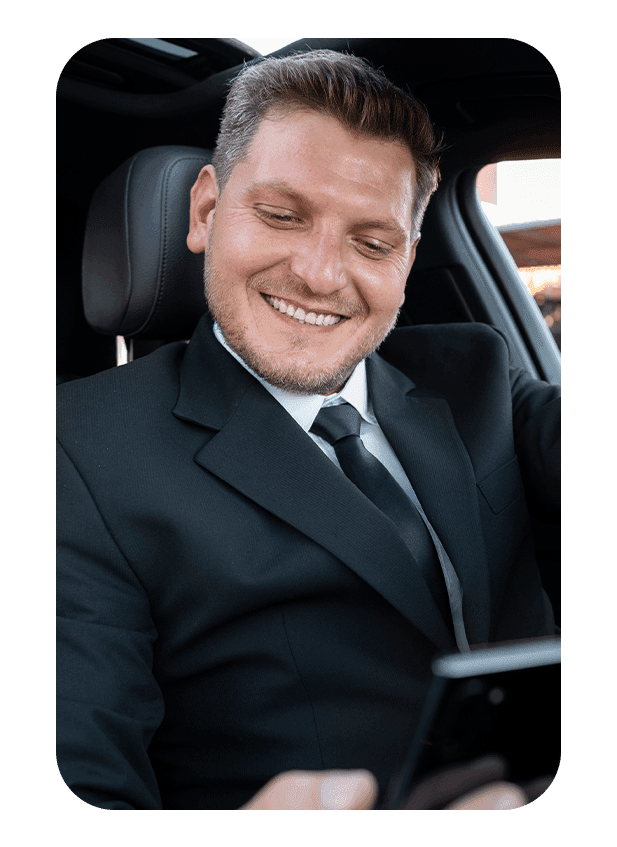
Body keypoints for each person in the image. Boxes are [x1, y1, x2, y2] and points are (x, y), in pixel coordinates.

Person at [56, 50, 560, 810]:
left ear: (407, 258)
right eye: (282, 216)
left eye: (372, 242)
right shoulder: (74, 449)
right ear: (205, 212)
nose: (321, 275)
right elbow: (76, 786)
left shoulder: (473, 370)